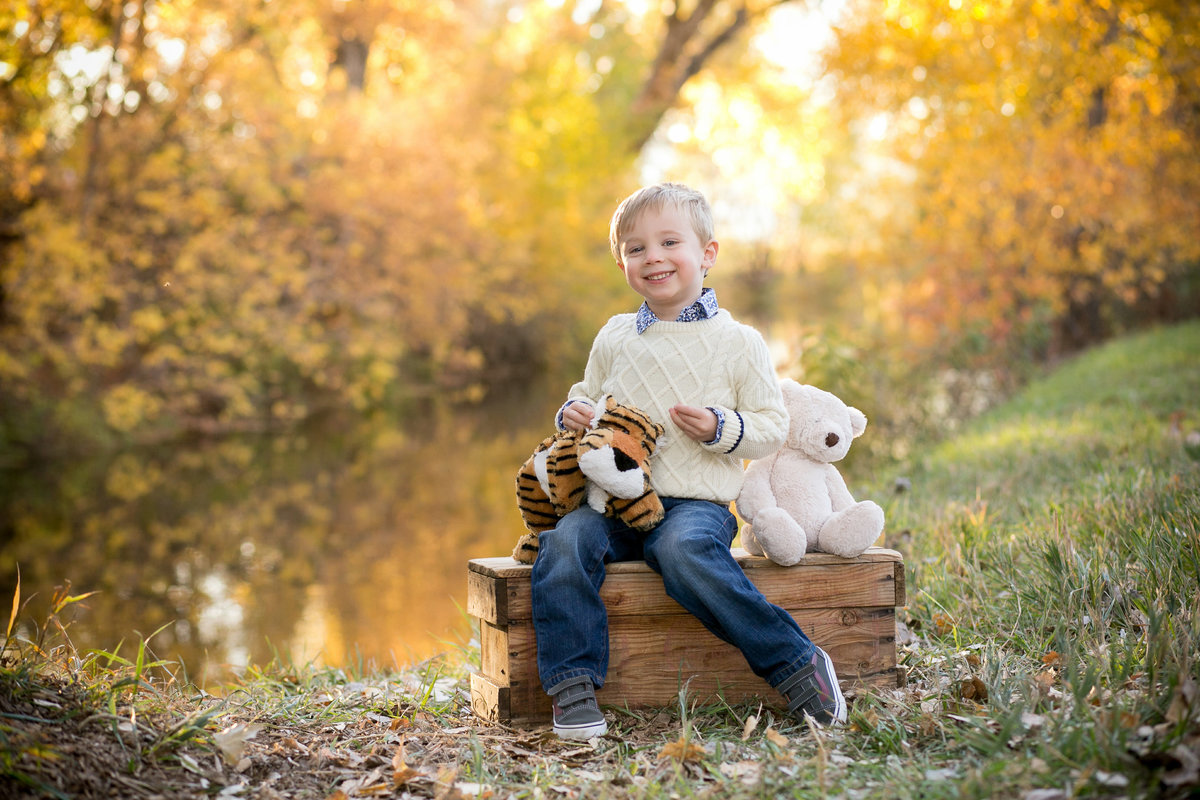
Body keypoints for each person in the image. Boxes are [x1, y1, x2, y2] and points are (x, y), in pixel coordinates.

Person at [530, 182, 848, 739]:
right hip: (613, 501)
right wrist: (573, 412)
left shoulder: (739, 342)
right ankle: (572, 682)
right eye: (635, 248)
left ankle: (797, 664)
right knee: (565, 540)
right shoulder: (616, 334)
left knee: (681, 552)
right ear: (622, 261)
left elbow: (771, 426)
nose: (652, 257)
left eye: (669, 242)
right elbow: (584, 392)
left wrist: (722, 427)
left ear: (707, 254)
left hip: (693, 503)